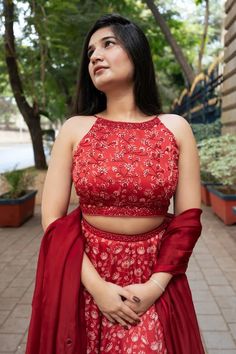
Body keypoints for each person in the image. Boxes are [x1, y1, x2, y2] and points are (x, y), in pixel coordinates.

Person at [26, 14, 205, 354]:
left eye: (108, 44)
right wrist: (97, 288)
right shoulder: (75, 129)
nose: (94, 56)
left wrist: (154, 286)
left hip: (154, 279)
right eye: (90, 51)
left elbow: (187, 221)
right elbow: (52, 221)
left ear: (136, 53)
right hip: (84, 280)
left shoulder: (176, 128)